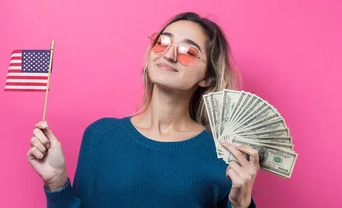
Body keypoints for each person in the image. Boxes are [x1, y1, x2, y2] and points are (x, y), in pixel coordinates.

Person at [26, 12, 259, 208]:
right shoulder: (100, 136)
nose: (169, 54)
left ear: (207, 77)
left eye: (188, 52)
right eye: (162, 42)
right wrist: (56, 182)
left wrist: (242, 205)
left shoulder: (224, 153)